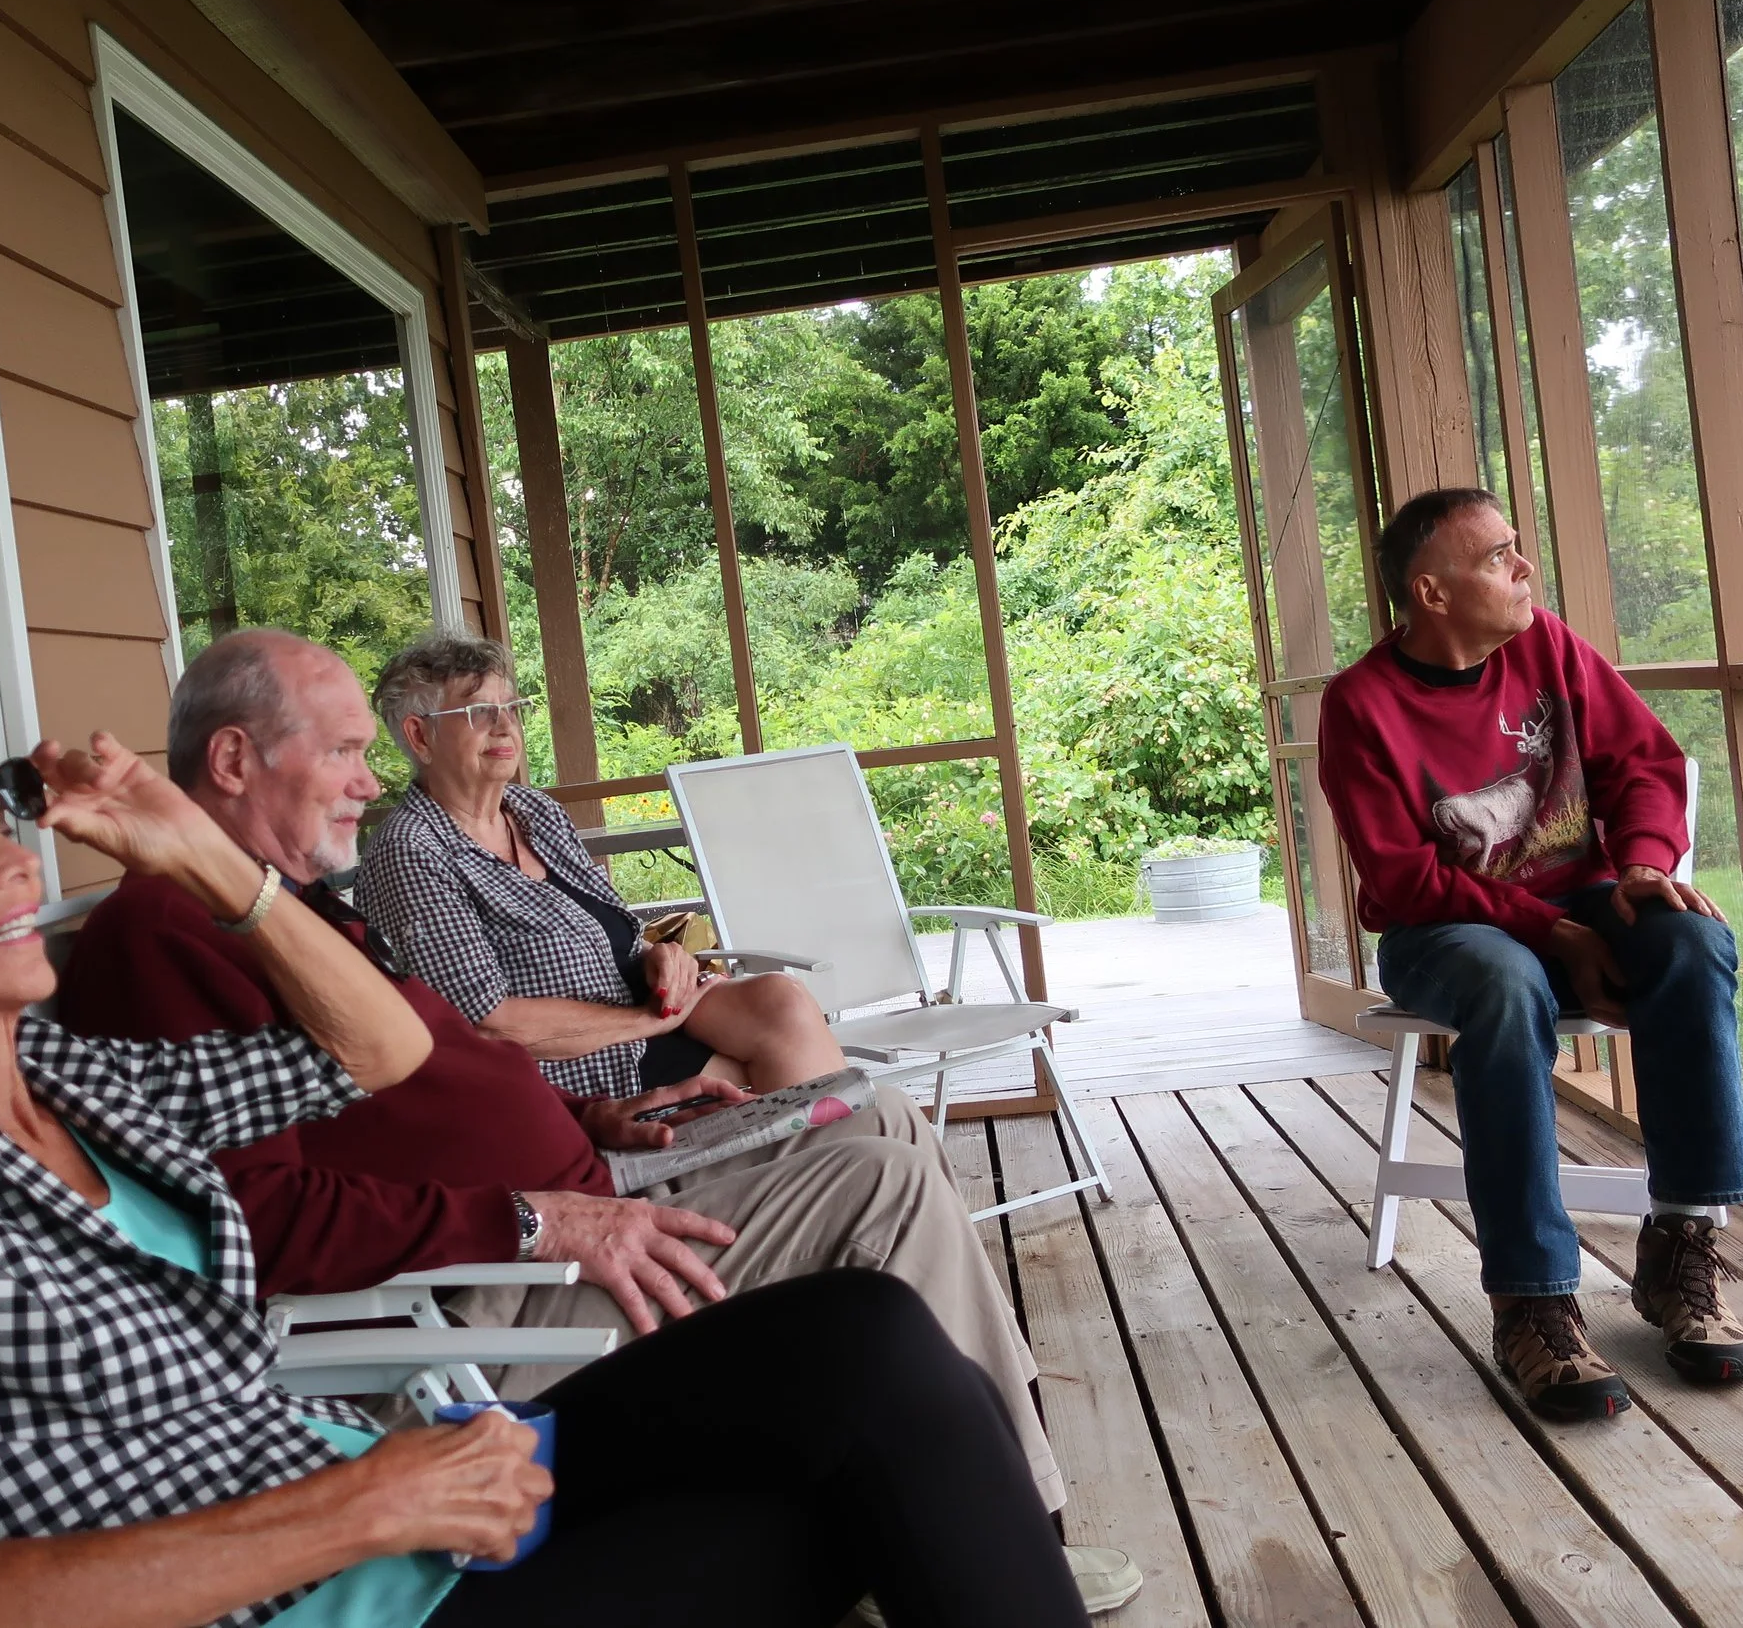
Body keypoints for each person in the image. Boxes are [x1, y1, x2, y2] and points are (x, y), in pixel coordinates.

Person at [0, 688, 1095, 1628]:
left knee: (859, 1343)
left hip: (398, 1493)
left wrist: (202, 850)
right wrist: (366, 1495)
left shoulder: (75, 1078)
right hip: (330, 1582)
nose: (16, 862)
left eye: (6, 816)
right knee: (856, 1495)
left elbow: (377, 1050)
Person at [60, 631, 1142, 1618]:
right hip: (485, 1286)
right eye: (343, 751)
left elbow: (433, 1078)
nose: (363, 781)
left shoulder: (296, 906)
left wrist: (596, 1111)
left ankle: (966, 1502)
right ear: (237, 760)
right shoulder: (168, 932)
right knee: (878, 1185)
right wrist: (537, 1219)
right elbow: (254, 1218)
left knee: (879, 1119)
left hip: (584, 1181)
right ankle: (1000, 1525)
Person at [1317, 487, 1743, 1423]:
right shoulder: (1362, 705)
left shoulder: (1548, 646)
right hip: (1446, 929)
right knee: (1503, 980)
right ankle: (1532, 1300)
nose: (1523, 568)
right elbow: (1401, 879)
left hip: (1581, 896)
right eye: (1498, 557)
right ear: (1432, 593)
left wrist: (1642, 866)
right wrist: (1550, 931)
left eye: (1517, 550)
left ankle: (1680, 1247)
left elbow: (1644, 762)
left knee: (1691, 938)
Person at [355, 634, 842, 1099]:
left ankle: (853, 1159)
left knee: (784, 1000)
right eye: (479, 711)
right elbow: (488, 1021)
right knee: (783, 1083)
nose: (505, 726)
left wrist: (662, 958)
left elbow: (620, 933)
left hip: (642, 1005)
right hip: (581, 1063)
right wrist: (649, 1023)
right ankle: (847, 1163)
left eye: (511, 708)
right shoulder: (412, 851)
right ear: (420, 736)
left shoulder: (533, 811)